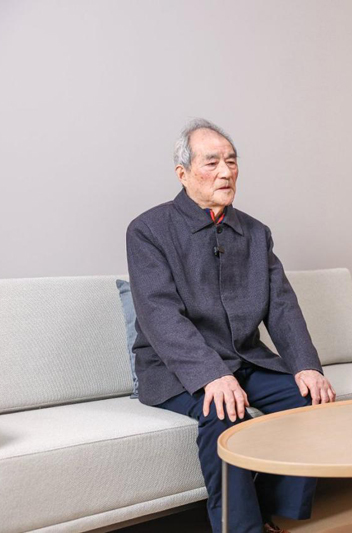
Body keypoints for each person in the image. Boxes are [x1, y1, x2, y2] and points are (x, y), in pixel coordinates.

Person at [126, 119, 336, 533]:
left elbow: (282, 306)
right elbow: (159, 315)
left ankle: (267, 510)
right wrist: (211, 375)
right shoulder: (148, 230)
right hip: (175, 370)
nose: (225, 172)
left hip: (245, 360)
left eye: (231, 161)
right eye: (212, 163)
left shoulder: (256, 233)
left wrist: (306, 366)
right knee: (223, 412)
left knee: (312, 402)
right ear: (183, 173)